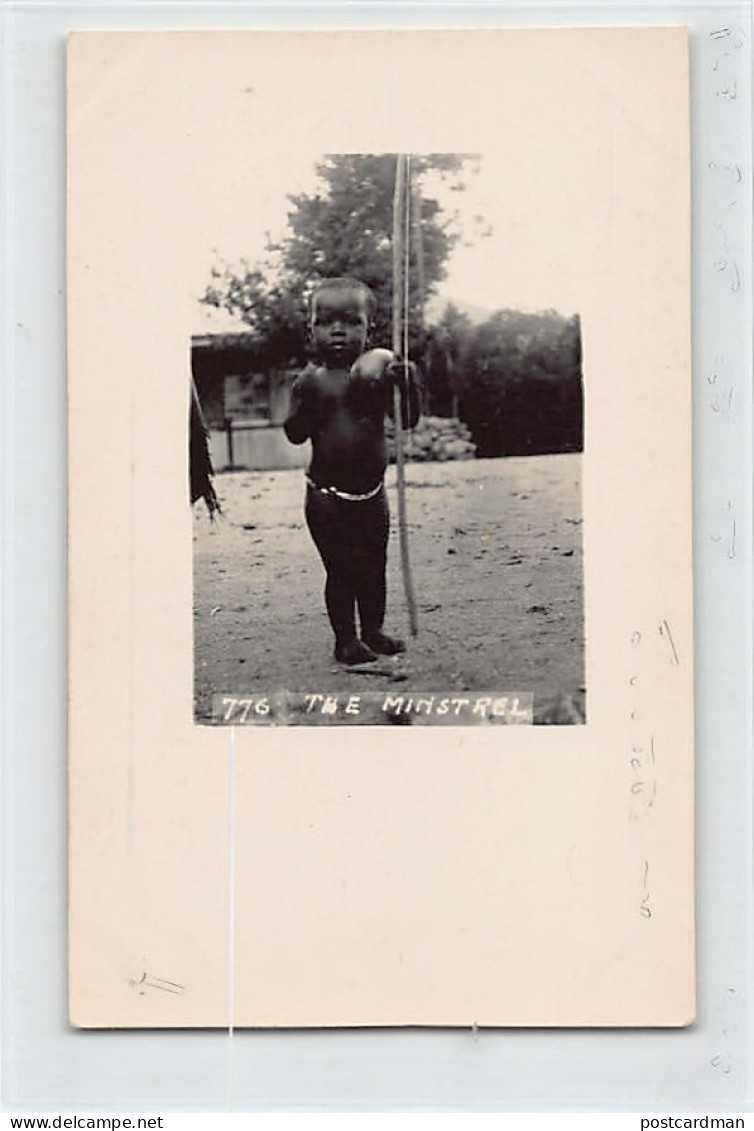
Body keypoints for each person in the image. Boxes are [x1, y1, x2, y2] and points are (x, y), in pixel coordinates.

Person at [284, 276, 421, 665]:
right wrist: (305, 409)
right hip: (327, 499)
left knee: (374, 566)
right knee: (342, 570)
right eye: (326, 322)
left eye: (351, 321)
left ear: (369, 327)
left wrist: (409, 384)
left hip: (372, 494)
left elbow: (407, 420)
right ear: (311, 329)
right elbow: (294, 434)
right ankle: (345, 640)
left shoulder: (378, 375)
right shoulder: (310, 382)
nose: (338, 330)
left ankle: (373, 631)